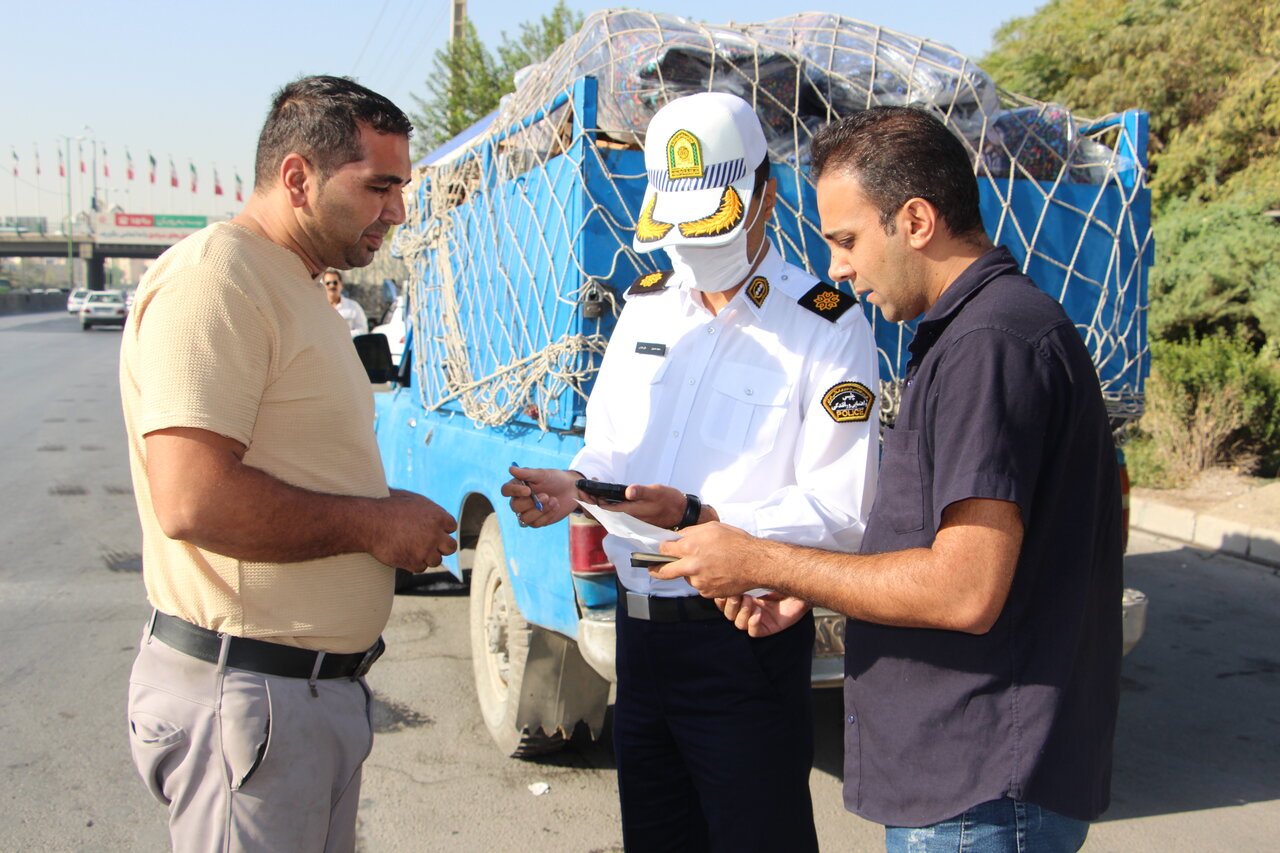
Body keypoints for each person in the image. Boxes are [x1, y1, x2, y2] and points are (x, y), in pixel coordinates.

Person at [652, 105, 1124, 853]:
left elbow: (964, 587)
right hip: (973, 784)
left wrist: (761, 558)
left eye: (846, 240)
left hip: (978, 790)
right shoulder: (982, 332)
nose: (836, 267)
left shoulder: (988, 345)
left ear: (915, 220)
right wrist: (810, 584)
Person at [502, 92, 879, 852]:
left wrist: (700, 518)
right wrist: (576, 487)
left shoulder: (826, 325)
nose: (691, 245)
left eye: (712, 223)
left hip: (739, 640)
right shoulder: (647, 308)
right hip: (641, 646)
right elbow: (608, 450)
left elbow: (841, 509)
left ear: (766, 197)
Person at [118, 75, 458, 852]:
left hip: (298, 700)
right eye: (379, 187)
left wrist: (382, 515)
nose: (398, 212)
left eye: (401, 188)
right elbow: (192, 499)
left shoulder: (294, 282)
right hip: (249, 698)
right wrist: (373, 523)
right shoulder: (218, 277)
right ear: (298, 177)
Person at [323, 268, 369, 334]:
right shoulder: (318, 308)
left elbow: (363, 330)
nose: (332, 286)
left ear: (341, 284)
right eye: (328, 283)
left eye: (335, 283)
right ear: (323, 286)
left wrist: (344, 336)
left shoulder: (353, 306)